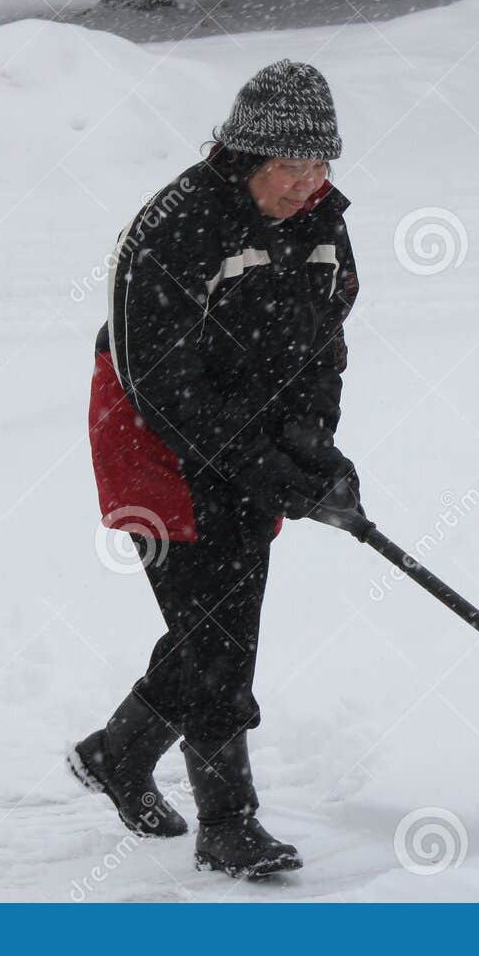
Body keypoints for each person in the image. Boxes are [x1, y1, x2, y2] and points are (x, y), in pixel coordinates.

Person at [72, 59, 362, 879]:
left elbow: (323, 348)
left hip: (249, 435)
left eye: (321, 165)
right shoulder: (176, 226)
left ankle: (118, 754)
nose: (308, 185)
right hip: (152, 441)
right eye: (292, 168)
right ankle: (228, 822)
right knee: (218, 632)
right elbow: (159, 382)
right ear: (244, 156)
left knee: (218, 621)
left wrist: (314, 453)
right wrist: (257, 461)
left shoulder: (322, 223)